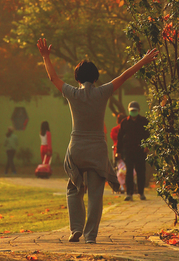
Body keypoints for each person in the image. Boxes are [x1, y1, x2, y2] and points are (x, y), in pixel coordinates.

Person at [37, 38, 158, 244]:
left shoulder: (72, 93)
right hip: (97, 149)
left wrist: (46, 56)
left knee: (74, 188)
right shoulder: (103, 92)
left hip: (77, 148)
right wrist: (143, 61)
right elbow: (125, 75)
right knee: (95, 193)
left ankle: (75, 229)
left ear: (77, 78)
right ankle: (90, 236)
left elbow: (52, 77)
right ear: (95, 78)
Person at [116, 101, 150, 201]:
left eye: (135, 110)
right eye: (131, 111)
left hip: (140, 150)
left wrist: (147, 146)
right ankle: (129, 193)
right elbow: (120, 137)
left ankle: (141, 192)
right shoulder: (125, 122)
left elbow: (148, 135)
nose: (133, 112)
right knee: (129, 172)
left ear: (138, 110)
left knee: (141, 172)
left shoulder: (144, 121)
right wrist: (119, 151)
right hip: (128, 150)